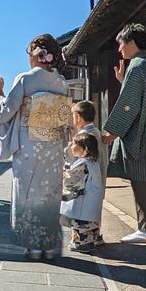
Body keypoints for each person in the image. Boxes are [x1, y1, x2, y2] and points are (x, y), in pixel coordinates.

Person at [0, 34, 71, 260]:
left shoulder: (25, 79)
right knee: (49, 194)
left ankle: (32, 246)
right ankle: (47, 244)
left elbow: (5, 113)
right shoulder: (62, 82)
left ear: (36, 53)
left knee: (27, 192)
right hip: (53, 146)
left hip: (29, 145)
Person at [102, 23, 146, 243]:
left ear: (131, 42)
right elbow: (143, 96)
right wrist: (123, 81)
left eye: (121, 43)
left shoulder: (137, 66)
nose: (119, 49)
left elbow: (130, 103)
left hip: (140, 131)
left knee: (141, 179)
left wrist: (113, 130)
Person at [66, 100, 108, 245]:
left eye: (73, 116)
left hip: (86, 178)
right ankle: (95, 236)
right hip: (98, 174)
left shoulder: (85, 136)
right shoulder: (96, 132)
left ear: (78, 117)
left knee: (82, 209)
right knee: (94, 207)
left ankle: (83, 240)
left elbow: (75, 158)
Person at [60, 133, 105, 253]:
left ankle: (82, 244)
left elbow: (71, 181)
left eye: (74, 144)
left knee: (81, 222)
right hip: (93, 200)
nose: (71, 147)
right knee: (92, 222)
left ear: (84, 149)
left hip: (84, 201)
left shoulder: (82, 163)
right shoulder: (93, 162)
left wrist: (63, 174)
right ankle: (94, 239)